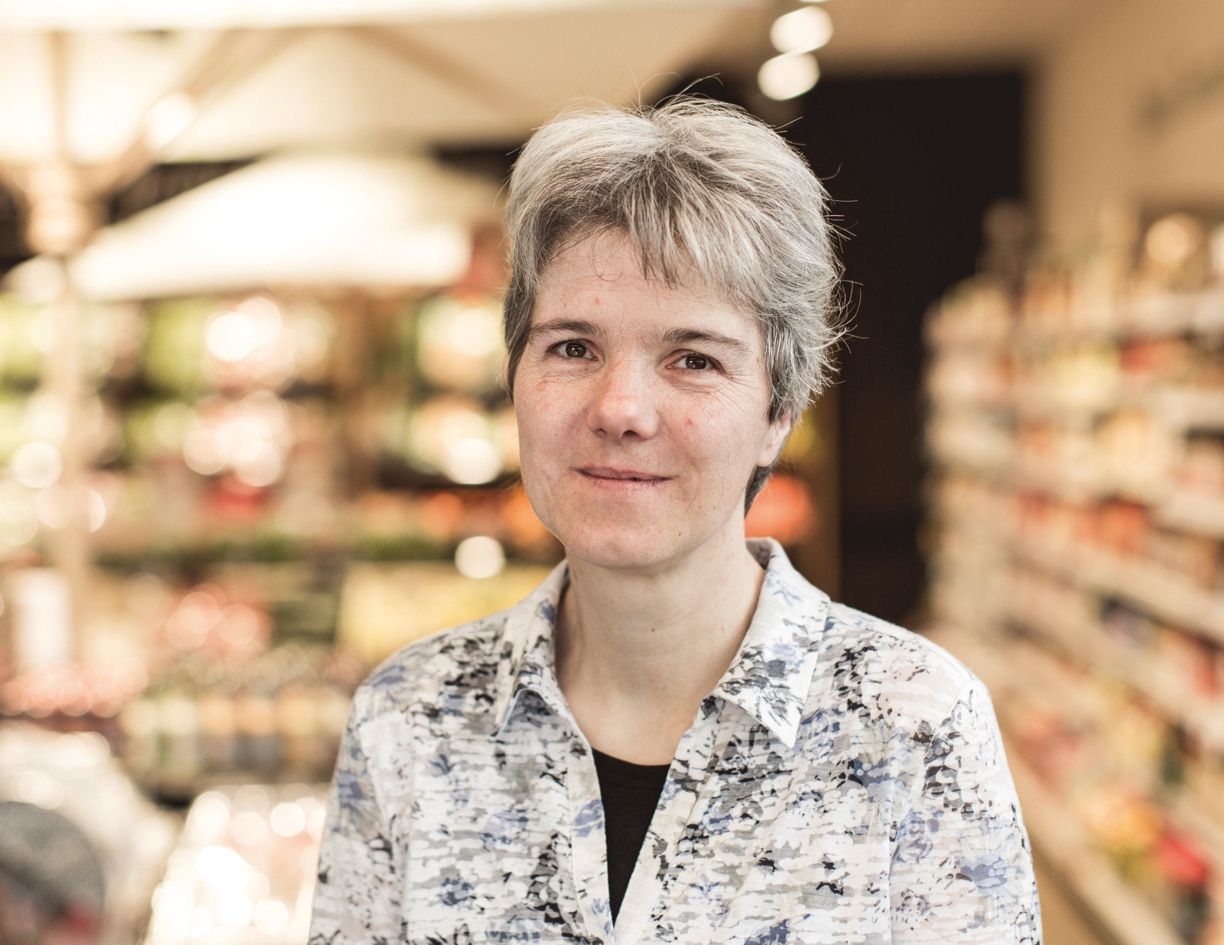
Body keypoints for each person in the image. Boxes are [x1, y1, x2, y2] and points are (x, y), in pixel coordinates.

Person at [309, 97, 1042, 945]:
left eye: (693, 358)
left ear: (779, 412)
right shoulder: (408, 719)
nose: (620, 408)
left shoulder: (915, 726)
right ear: (514, 378)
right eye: (573, 347)